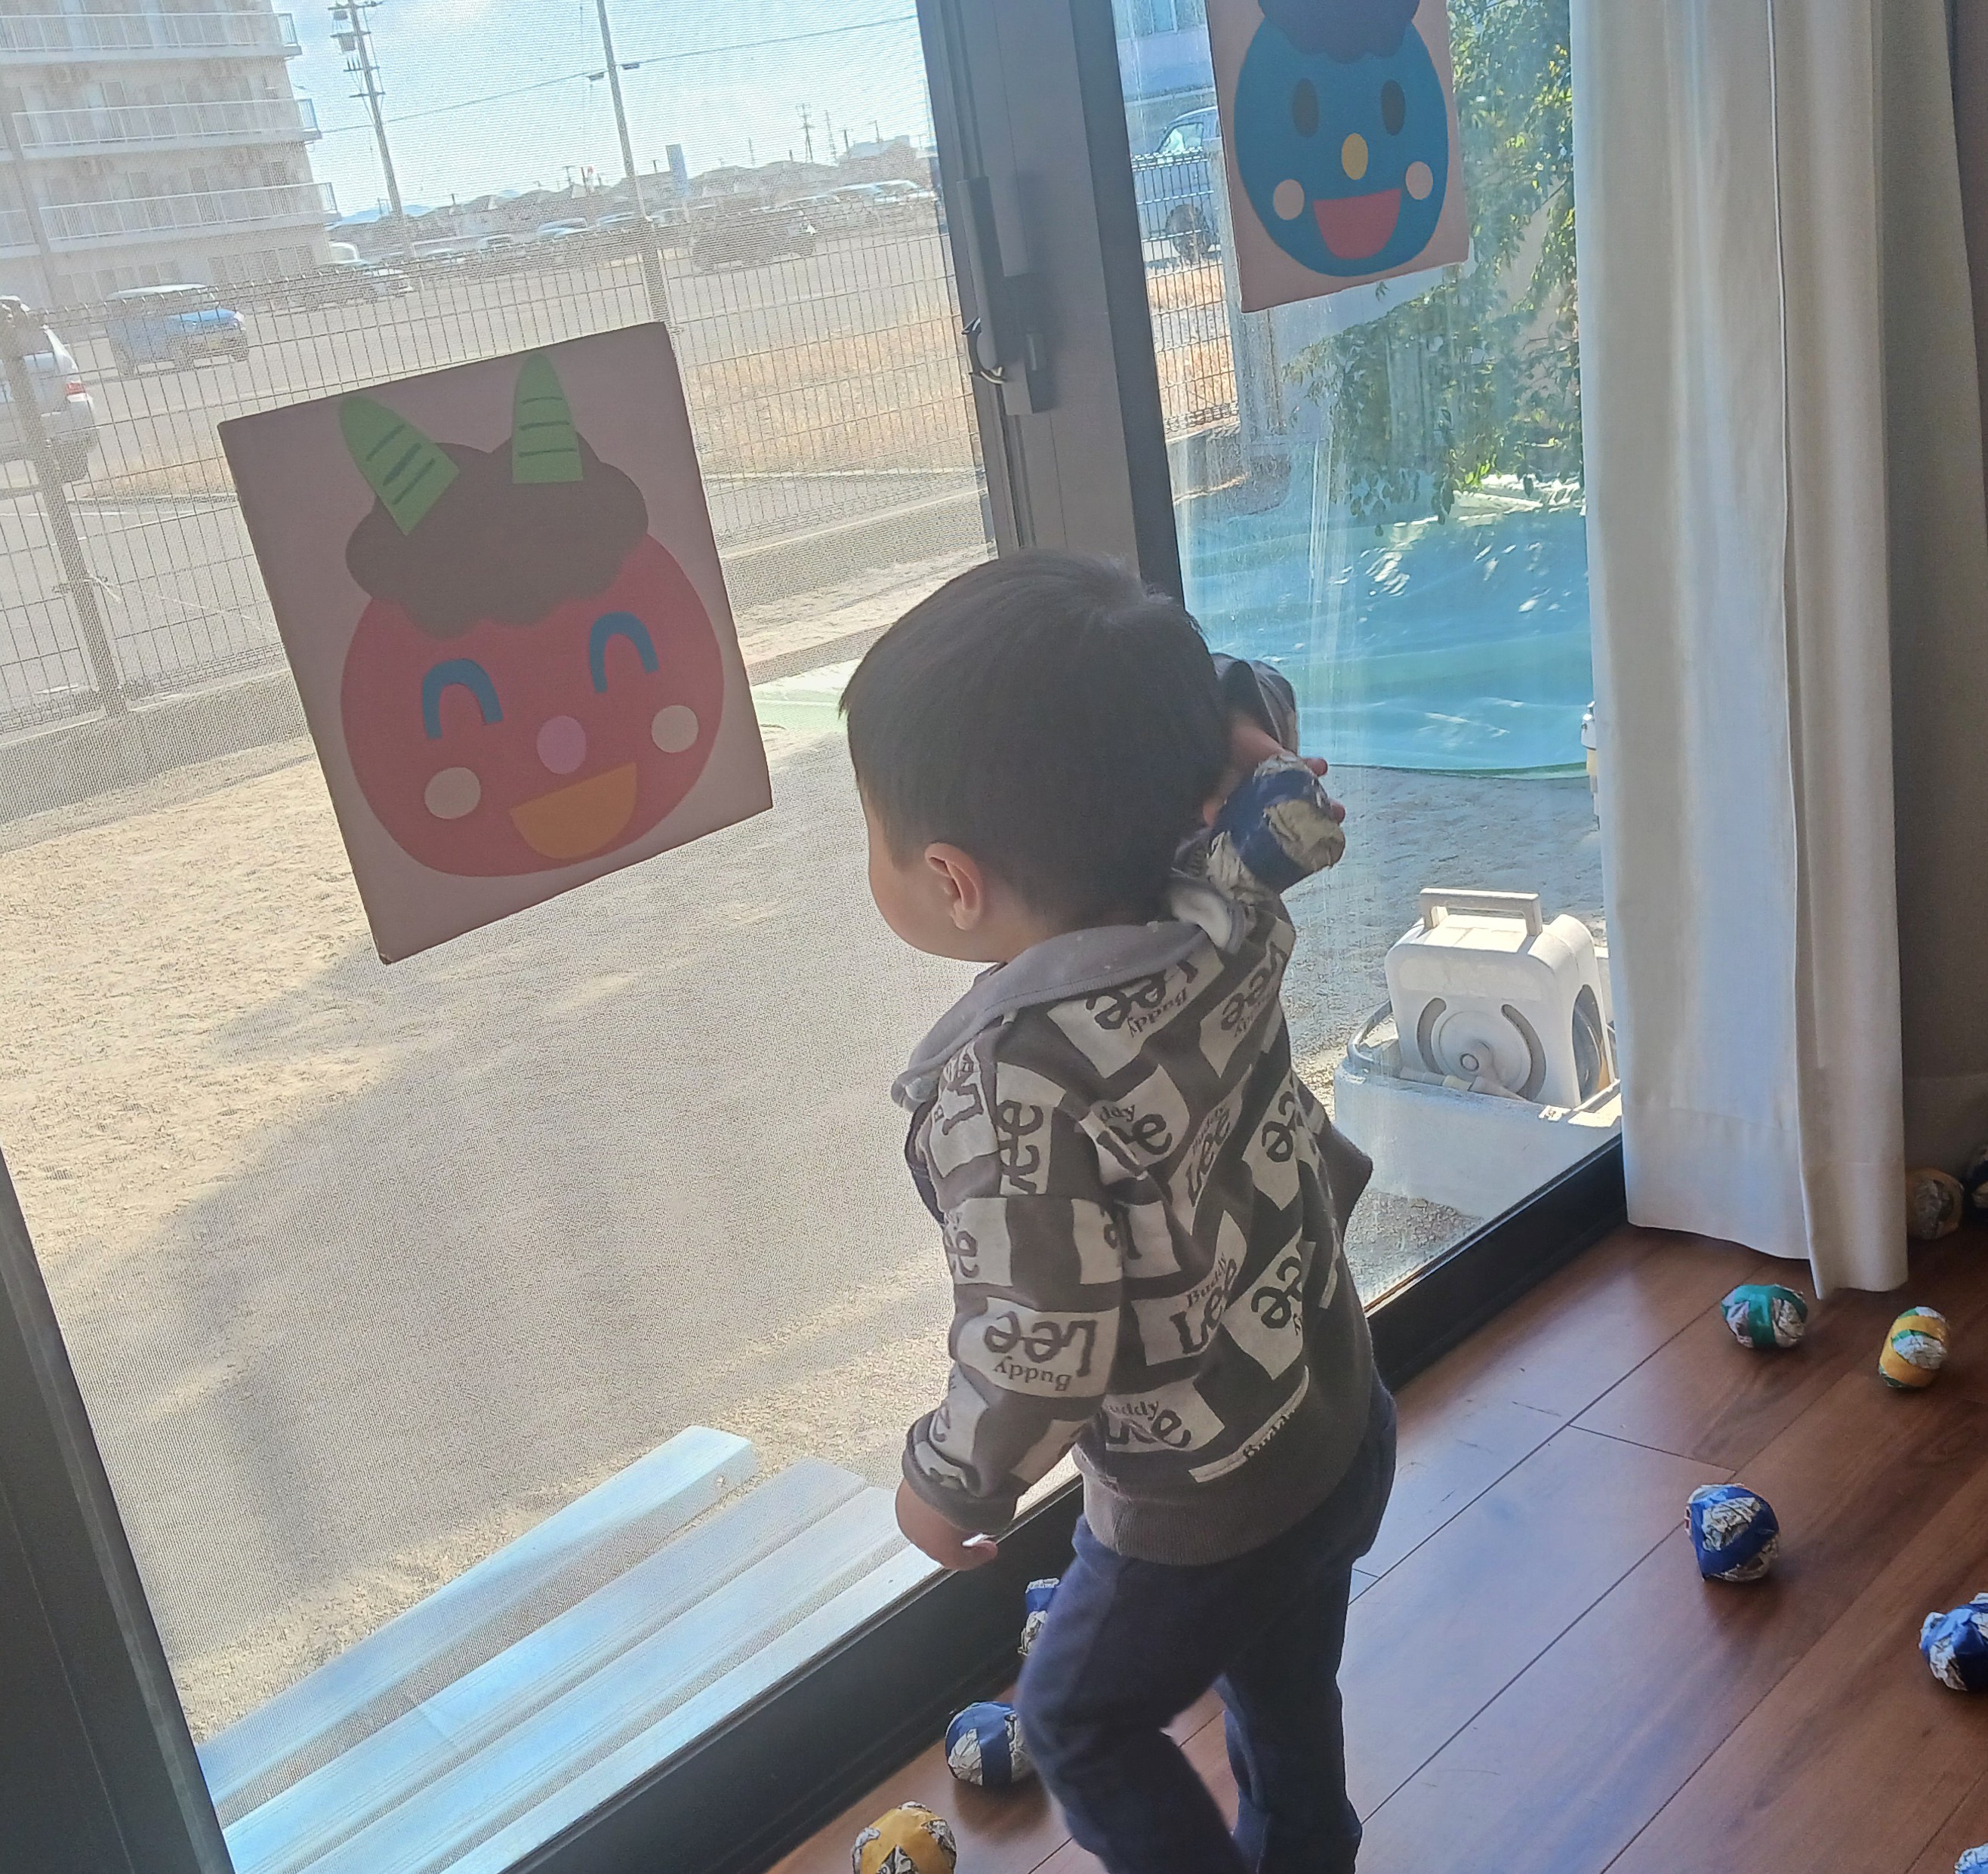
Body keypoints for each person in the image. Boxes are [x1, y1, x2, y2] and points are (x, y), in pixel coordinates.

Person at [841, 550, 1395, 1874]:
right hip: (1329, 1416)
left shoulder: (1016, 1083)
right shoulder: (1221, 897)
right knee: (1285, 1689)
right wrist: (1222, 713)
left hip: (1199, 1509)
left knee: (1076, 1720)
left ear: (952, 880)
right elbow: (1284, 791)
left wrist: (944, 1481)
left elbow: (1042, 1341)